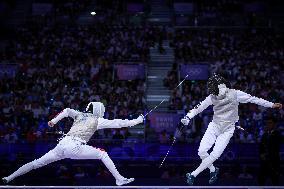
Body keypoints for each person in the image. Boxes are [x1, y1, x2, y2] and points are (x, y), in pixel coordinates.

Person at [2, 102, 144, 186]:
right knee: (102, 153)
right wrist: (138, 120)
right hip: (74, 147)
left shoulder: (80, 115)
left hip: (62, 145)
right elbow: (120, 123)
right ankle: (119, 180)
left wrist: (53, 121)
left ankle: (9, 177)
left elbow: (67, 111)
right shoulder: (97, 120)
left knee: (36, 163)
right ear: (99, 111)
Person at [180, 74, 282, 185]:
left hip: (228, 129)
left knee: (215, 154)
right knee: (201, 151)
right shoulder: (211, 96)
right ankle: (213, 170)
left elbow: (253, 99)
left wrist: (271, 105)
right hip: (214, 125)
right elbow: (198, 108)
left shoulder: (235, 94)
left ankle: (193, 174)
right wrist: (188, 117)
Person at [258, 116, 283, 185]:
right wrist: (261, 154)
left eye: (270, 123)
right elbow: (261, 147)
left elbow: (275, 147)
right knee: (261, 179)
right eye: (267, 123)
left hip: (274, 162)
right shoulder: (264, 135)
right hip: (264, 162)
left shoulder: (278, 134)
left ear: (274, 124)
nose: (268, 125)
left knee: (275, 180)